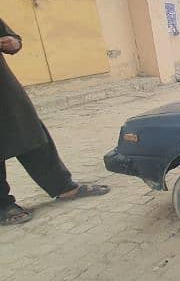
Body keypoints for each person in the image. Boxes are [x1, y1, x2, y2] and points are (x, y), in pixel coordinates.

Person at [1, 18, 109, 225]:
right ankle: (3, 206)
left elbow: (14, 40)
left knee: (32, 134)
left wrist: (13, 43)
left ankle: (64, 187)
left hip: (4, 90)